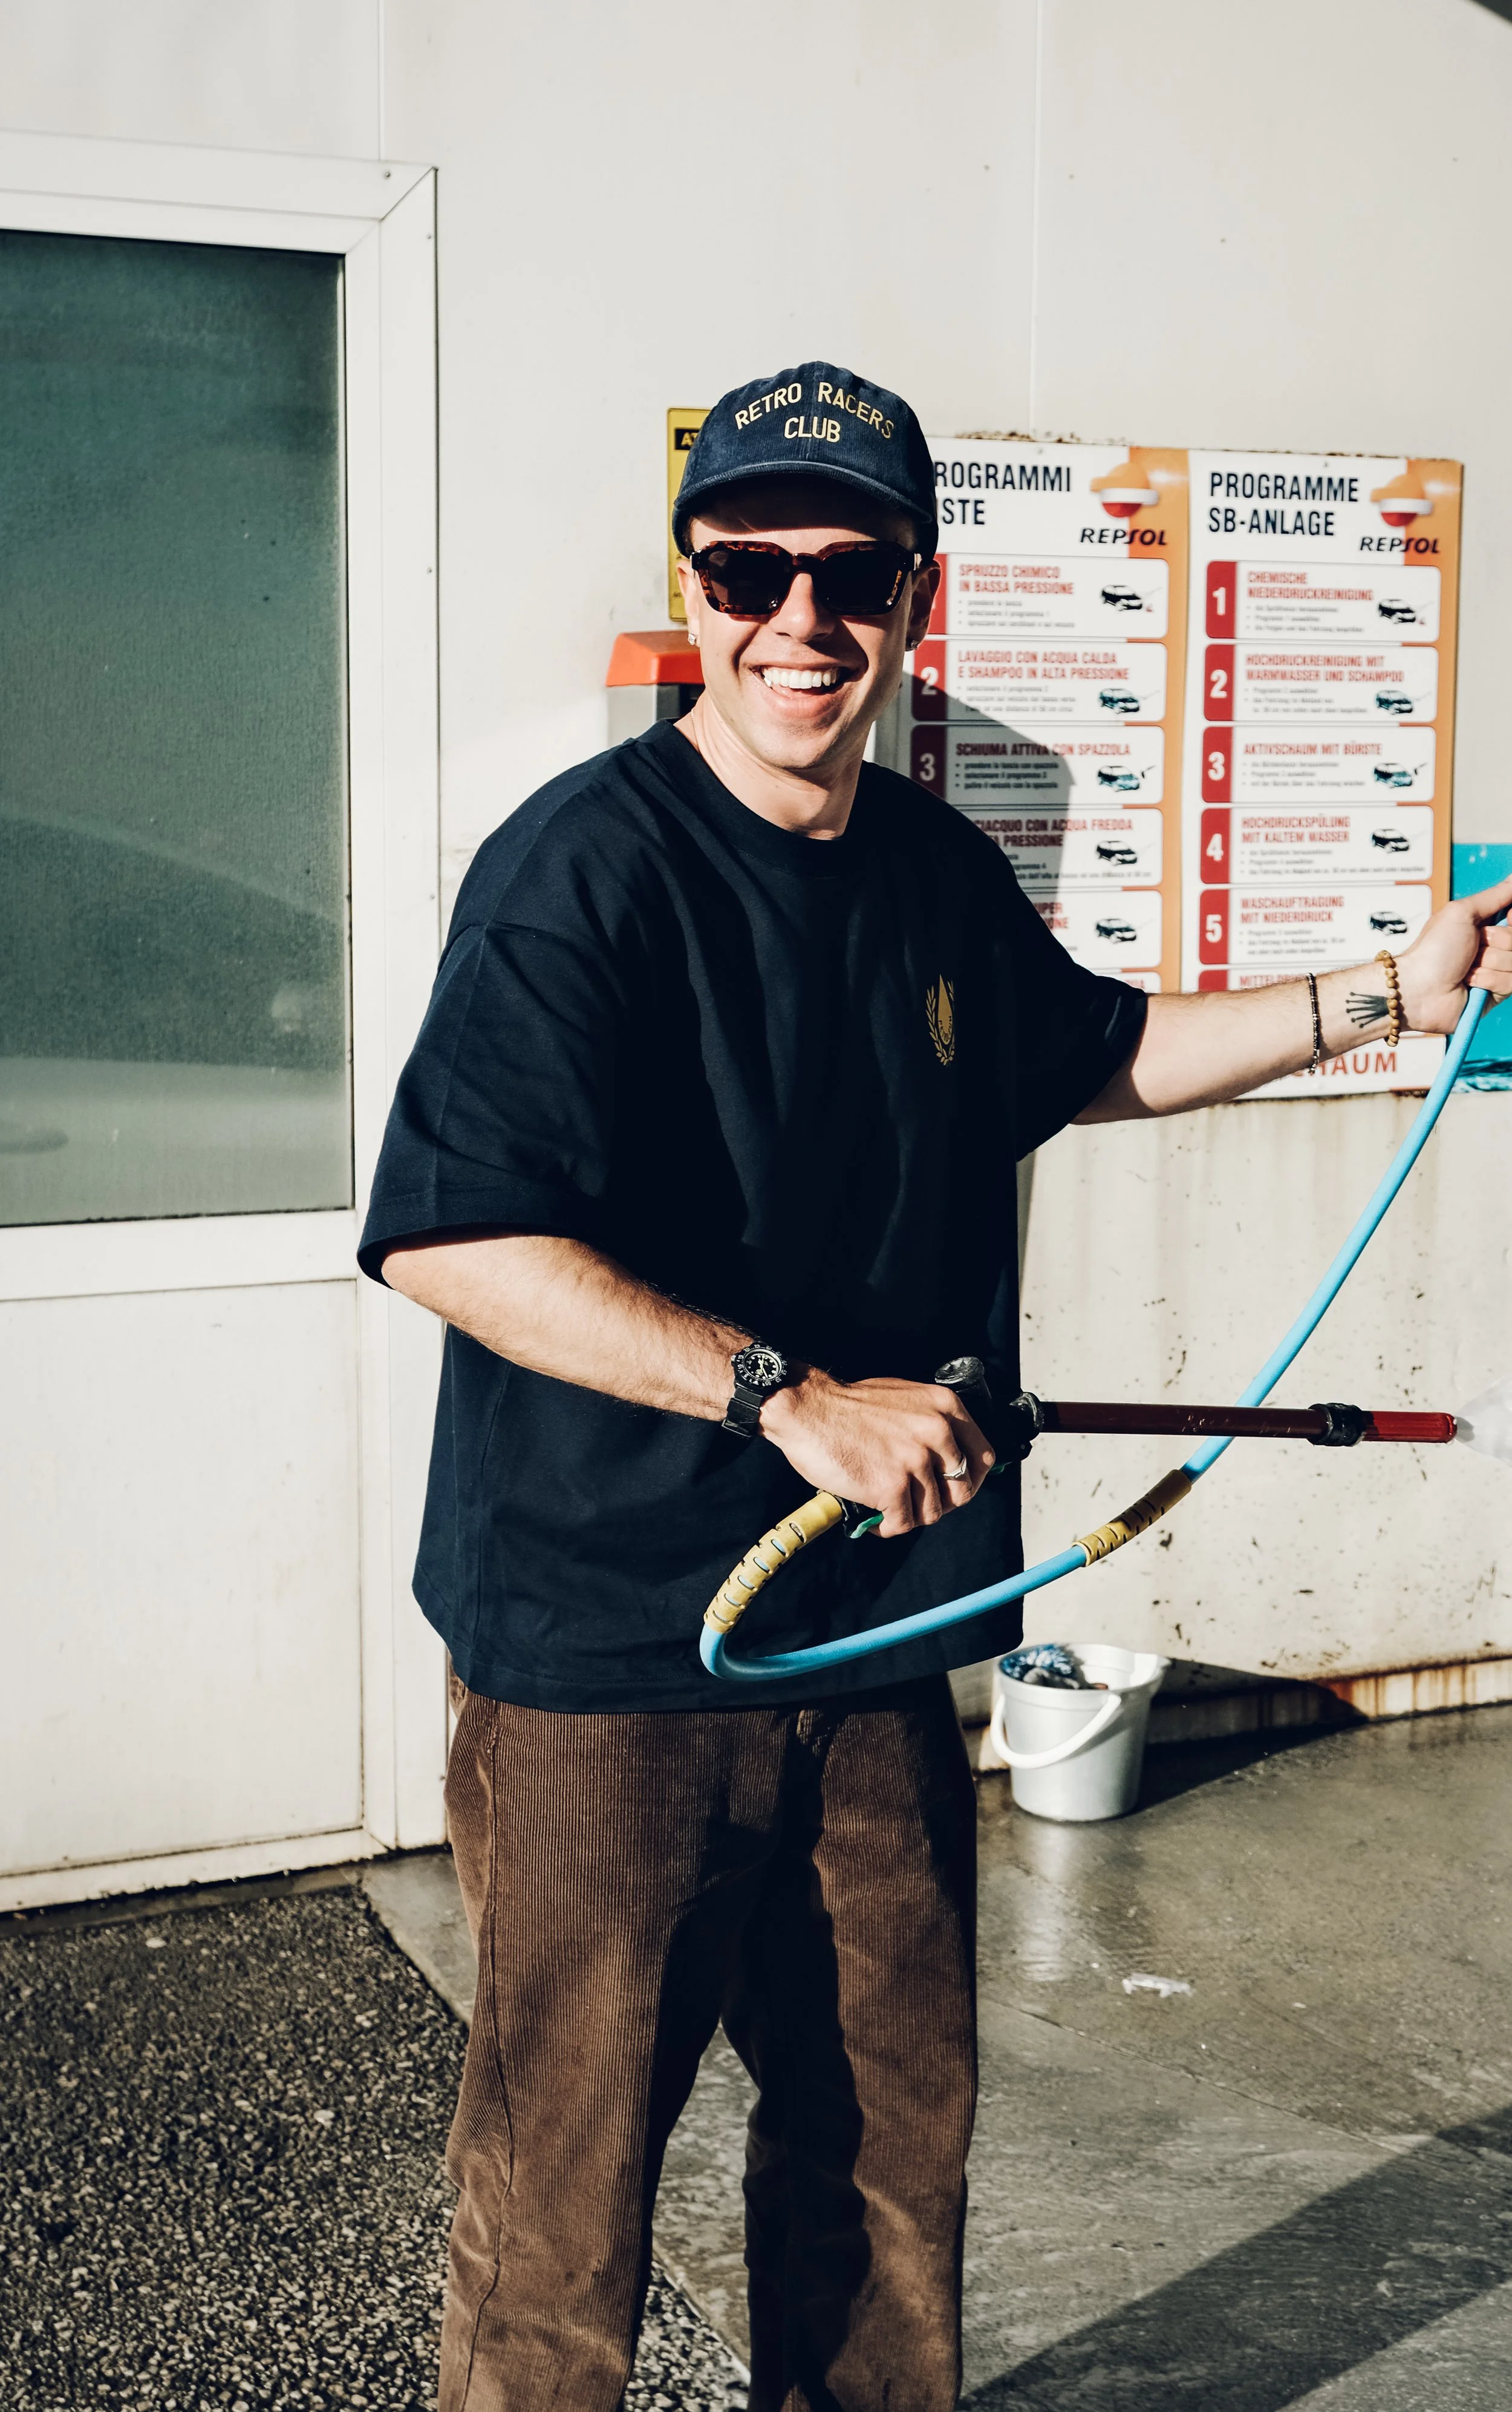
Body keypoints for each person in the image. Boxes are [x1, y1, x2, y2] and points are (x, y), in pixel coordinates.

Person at [358, 361, 1512, 2412]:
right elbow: (458, 1238)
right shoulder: (583, 875)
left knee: (888, 2161)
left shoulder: (925, 868)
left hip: (882, 1635)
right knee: (563, 2198)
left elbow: (1094, 1059)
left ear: (917, 593)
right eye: (751, 567)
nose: (800, 618)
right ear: (694, 583)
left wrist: (1379, 994)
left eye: (853, 570)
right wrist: (787, 1395)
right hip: (607, 1660)